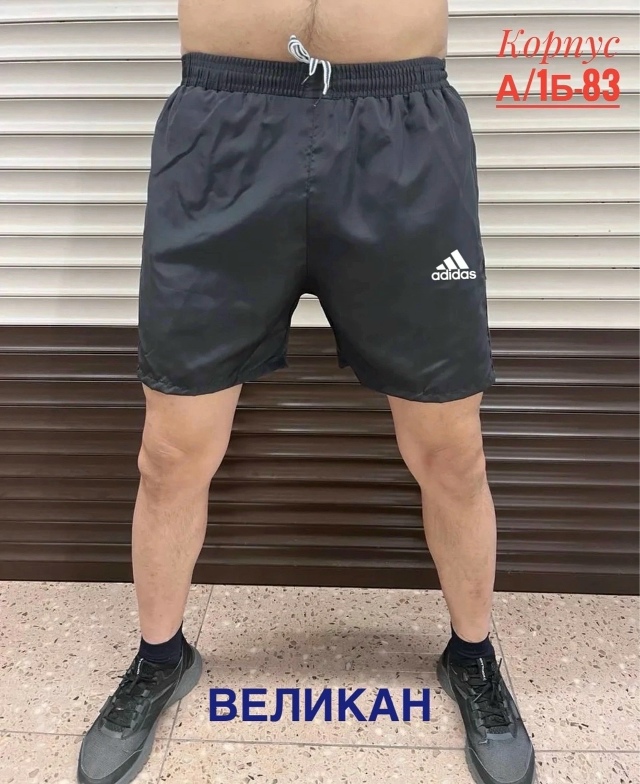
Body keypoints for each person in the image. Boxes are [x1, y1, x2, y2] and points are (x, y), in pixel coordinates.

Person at [77, 2, 535, 783]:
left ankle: (473, 656)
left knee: (451, 449)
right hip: (224, 127)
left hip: (401, 129)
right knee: (172, 451)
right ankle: (160, 656)